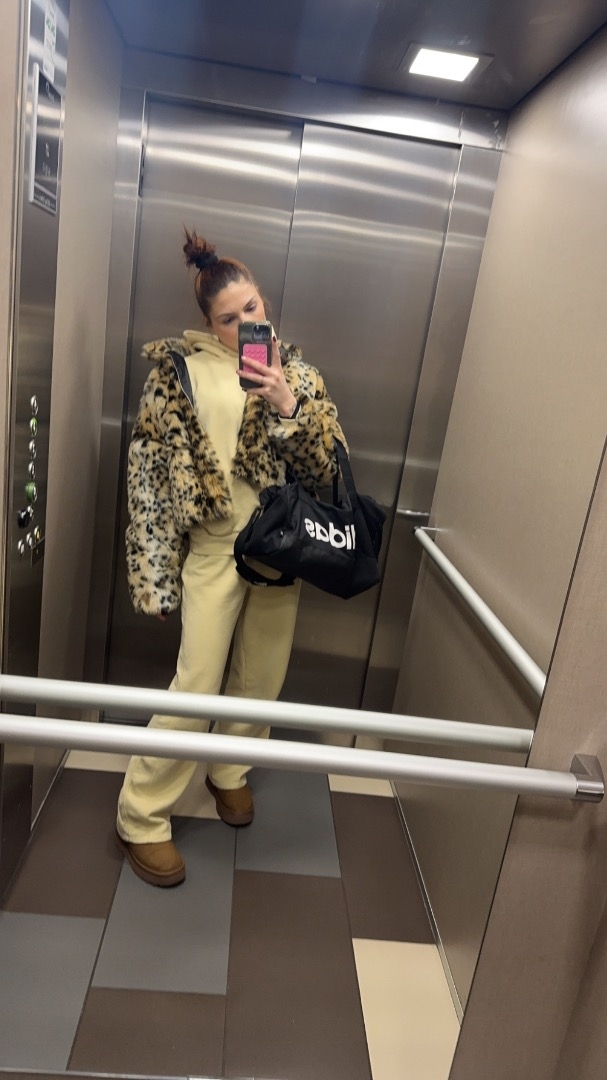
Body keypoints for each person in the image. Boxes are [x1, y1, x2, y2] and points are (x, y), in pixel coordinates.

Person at [115, 229, 346, 887]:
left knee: (261, 677)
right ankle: (141, 815)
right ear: (208, 322)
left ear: (262, 300)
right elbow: (150, 479)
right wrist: (155, 578)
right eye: (228, 317)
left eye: (252, 307)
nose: (245, 323)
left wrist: (286, 404)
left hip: (281, 546)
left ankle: (229, 769)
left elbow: (327, 468)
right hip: (214, 550)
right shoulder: (178, 374)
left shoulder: (297, 374)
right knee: (195, 683)